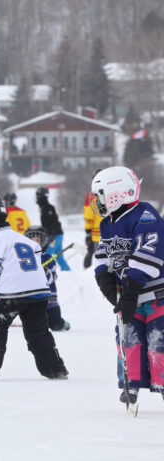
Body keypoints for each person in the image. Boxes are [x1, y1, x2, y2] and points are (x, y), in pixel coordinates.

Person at [0, 195, 68, 381]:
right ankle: (55, 369)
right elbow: (18, 269)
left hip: (14, 295)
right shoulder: (24, 240)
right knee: (38, 334)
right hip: (39, 292)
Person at [91, 166, 164, 406]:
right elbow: (103, 255)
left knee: (158, 339)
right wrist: (106, 283)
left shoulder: (146, 216)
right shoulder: (108, 223)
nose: (97, 200)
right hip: (129, 295)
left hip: (156, 294)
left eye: (100, 195)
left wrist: (130, 292)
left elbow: (148, 257)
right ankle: (130, 384)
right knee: (128, 338)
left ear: (117, 193)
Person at [25, 225, 70, 331]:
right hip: (32, 302)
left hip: (49, 302)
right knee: (34, 327)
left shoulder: (47, 258)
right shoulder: (25, 259)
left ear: (43, 242)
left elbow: (51, 277)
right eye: (31, 240)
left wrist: (44, 271)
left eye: (37, 240)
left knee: (56, 326)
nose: (34, 243)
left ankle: (63, 324)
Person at [36, 186, 71, 271]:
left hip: (54, 236)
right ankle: (69, 274)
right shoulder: (43, 208)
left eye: (38, 195)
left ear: (42, 196)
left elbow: (53, 222)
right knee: (59, 258)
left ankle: (46, 274)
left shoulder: (48, 208)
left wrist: (51, 235)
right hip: (56, 235)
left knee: (46, 256)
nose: (37, 198)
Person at [83, 169, 103, 268]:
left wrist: (87, 231)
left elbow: (89, 216)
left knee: (99, 259)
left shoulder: (91, 196)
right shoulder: (111, 192)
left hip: (97, 234)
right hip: (113, 232)